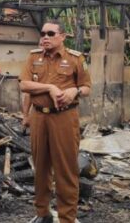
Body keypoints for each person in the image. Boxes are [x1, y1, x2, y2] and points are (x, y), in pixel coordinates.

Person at [19, 19, 91, 223]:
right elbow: (25, 86)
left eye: (50, 34)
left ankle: (67, 218)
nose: (45, 38)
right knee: (40, 168)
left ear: (62, 37)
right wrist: (26, 114)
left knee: (66, 169)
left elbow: (86, 87)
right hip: (39, 117)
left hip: (64, 118)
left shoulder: (76, 58)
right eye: (43, 34)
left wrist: (74, 90)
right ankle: (43, 214)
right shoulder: (33, 57)